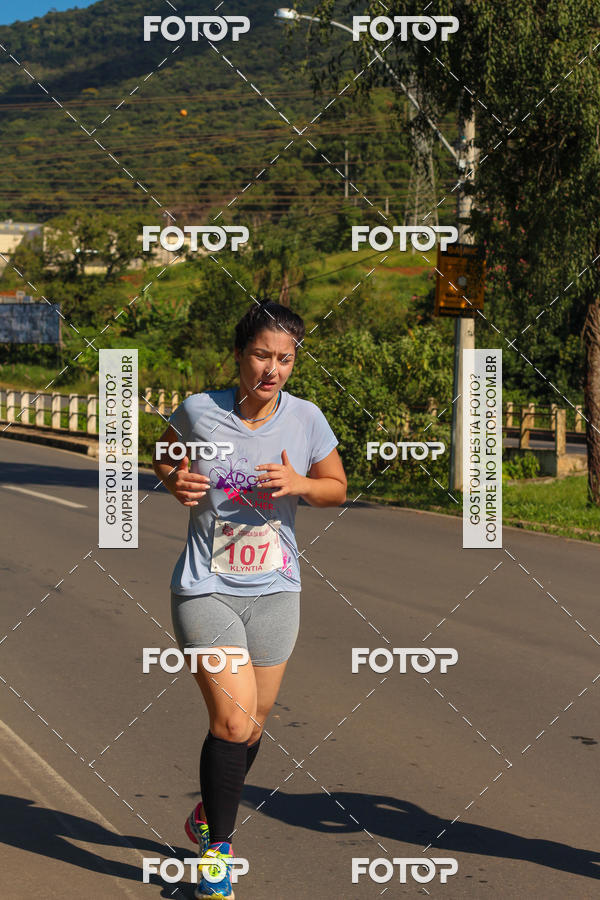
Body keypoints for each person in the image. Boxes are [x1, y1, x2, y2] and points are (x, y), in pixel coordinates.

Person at [152, 299, 347, 898]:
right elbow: (163, 455)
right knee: (231, 721)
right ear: (239, 353)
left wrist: (302, 484)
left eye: (285, 358)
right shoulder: (199, 410)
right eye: (262, 354)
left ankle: (210, 814)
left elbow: (336, 489)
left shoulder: (307, 418)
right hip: (205, 588)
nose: (273, 368)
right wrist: (172, 477)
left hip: (275, 591)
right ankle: (219, 855)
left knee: (254, 726)